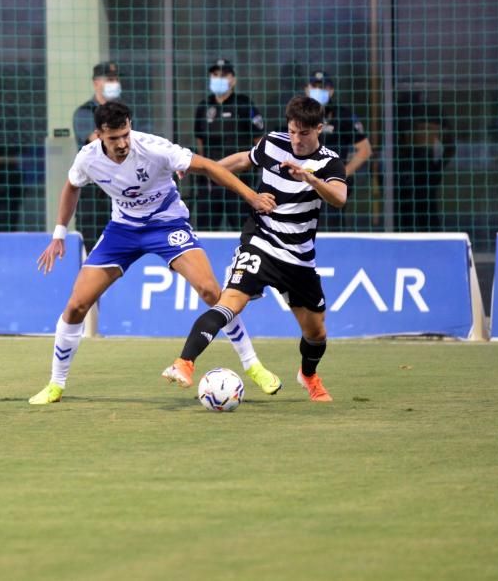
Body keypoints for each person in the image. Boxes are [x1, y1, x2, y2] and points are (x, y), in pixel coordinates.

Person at [29, 100, 282, 405]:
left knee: (211, 290)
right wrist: (59, 233)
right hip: (122, 231)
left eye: (125, 134)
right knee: (77, 305)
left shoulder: (155, 148)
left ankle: (253, 366)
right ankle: (56, 384)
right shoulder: (88, 158)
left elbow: (209, 167)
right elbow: (72, 186)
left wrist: (252, 197)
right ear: (99, 135)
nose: (122, 143)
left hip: (167, 225)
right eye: (114, 138)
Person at [163, 95, 348, 402]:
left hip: (298, 258)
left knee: (316, 333)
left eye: (304, 133)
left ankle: (309, 375)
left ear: (319, 128)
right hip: (259, 242)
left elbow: (339, 198)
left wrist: (311, 179)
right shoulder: (272, 143)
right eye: (292, 131)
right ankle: (184, 363)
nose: (297, 139)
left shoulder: (330, 162)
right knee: (229, 302)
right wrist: (203, 168)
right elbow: (241, 160)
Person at [194, 58, 266, 230]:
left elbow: (260, 142)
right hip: (210, 182)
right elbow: (200, 143)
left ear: (233, 79)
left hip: (240, 180)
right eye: (215, 74)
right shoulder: (204, 107)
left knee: (244, 229)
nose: (219, 78)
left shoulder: (243, 104)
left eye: (224, 75)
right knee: (206, 231)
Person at [304, 70, 372, 230]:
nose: (318, 90)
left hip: (332, 183)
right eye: (315, 86)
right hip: (304, 182)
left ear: (331, 90)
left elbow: (365, 150)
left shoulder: (343, 115)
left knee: (331, 227)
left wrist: (342, 173)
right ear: (307, 88)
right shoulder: (300, 116)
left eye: (323, 87)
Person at [72, 61, 124, 251]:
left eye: (116, 79)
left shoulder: (123, 112)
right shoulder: (85, 113)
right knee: (94, 247)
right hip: (93, 193)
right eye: (109, 79)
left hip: (118, 189)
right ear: (96, 83)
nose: (115, 83)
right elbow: (98, 142)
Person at [394, 91, 454, 231]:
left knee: (426, 206)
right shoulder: (397, 111)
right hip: (403, 166)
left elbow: (449, 142)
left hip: (426, 167)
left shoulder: (432, 112)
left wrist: (438, 164)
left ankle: (432, 242)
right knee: (405, 208)